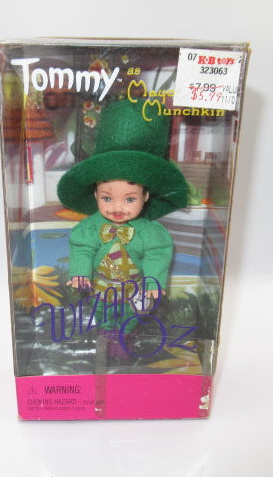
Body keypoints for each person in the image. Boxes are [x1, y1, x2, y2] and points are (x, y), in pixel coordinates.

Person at [57, 99, 188, 358]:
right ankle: (106, 336)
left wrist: (153, 280)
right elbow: (82, 248)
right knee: (103, 313)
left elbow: (157, 253)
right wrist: (80, 272)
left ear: (145, 196)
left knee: (132, 314)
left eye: (130, 199)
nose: (117, 208)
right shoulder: (90, 228)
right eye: (107, 198)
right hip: (102, 287)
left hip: (133, 288)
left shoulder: (149, 232)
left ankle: (125, 337)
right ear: (95, 194)